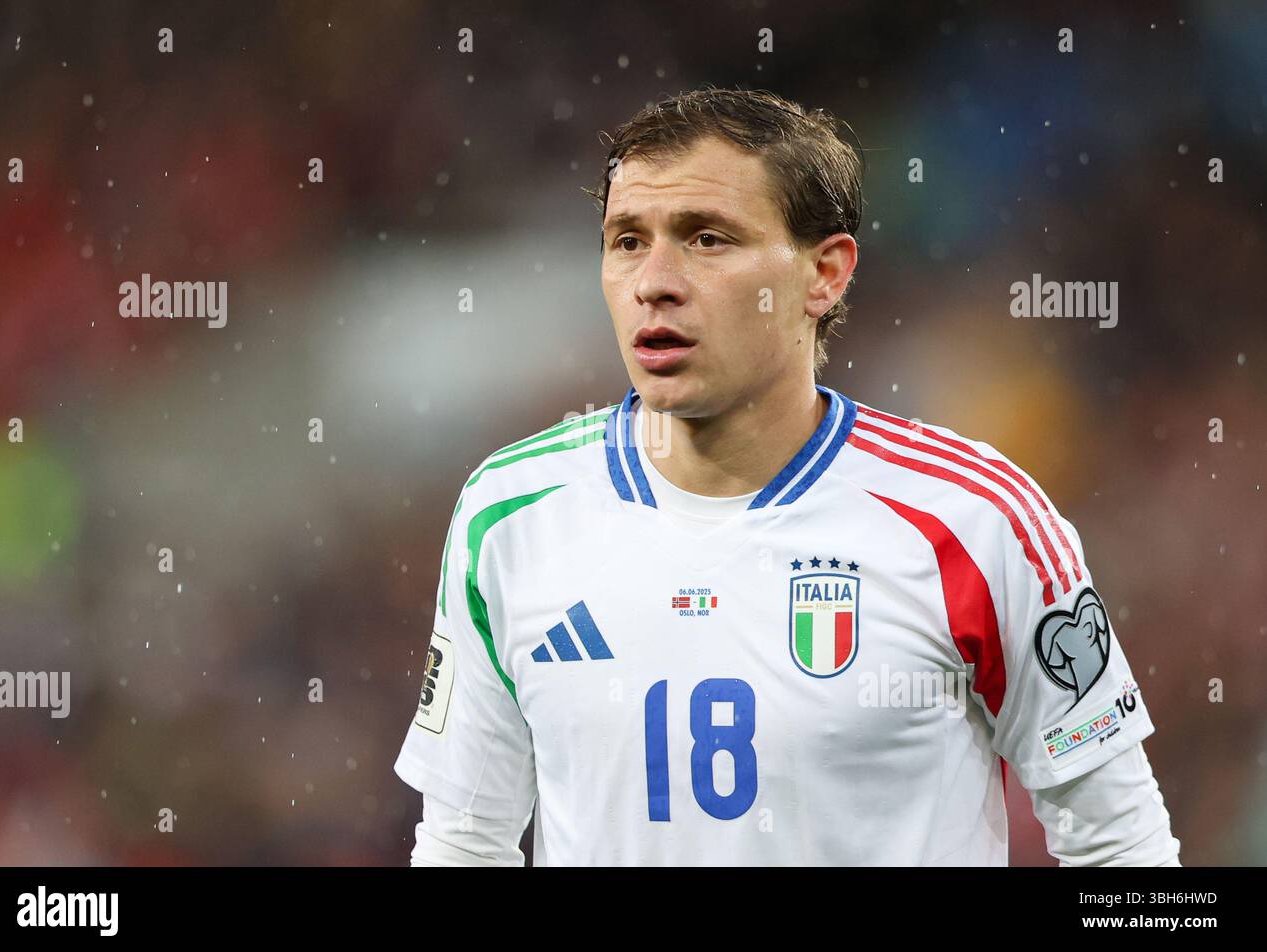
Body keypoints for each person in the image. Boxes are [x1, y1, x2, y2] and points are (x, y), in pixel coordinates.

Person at [393, 86, 1181, 866]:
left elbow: (1122, 847)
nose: (653, 281)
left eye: (707, 239)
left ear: (825, 275)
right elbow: (465, 842)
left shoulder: (975, 520)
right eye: (628, 239)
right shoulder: (510, 516)